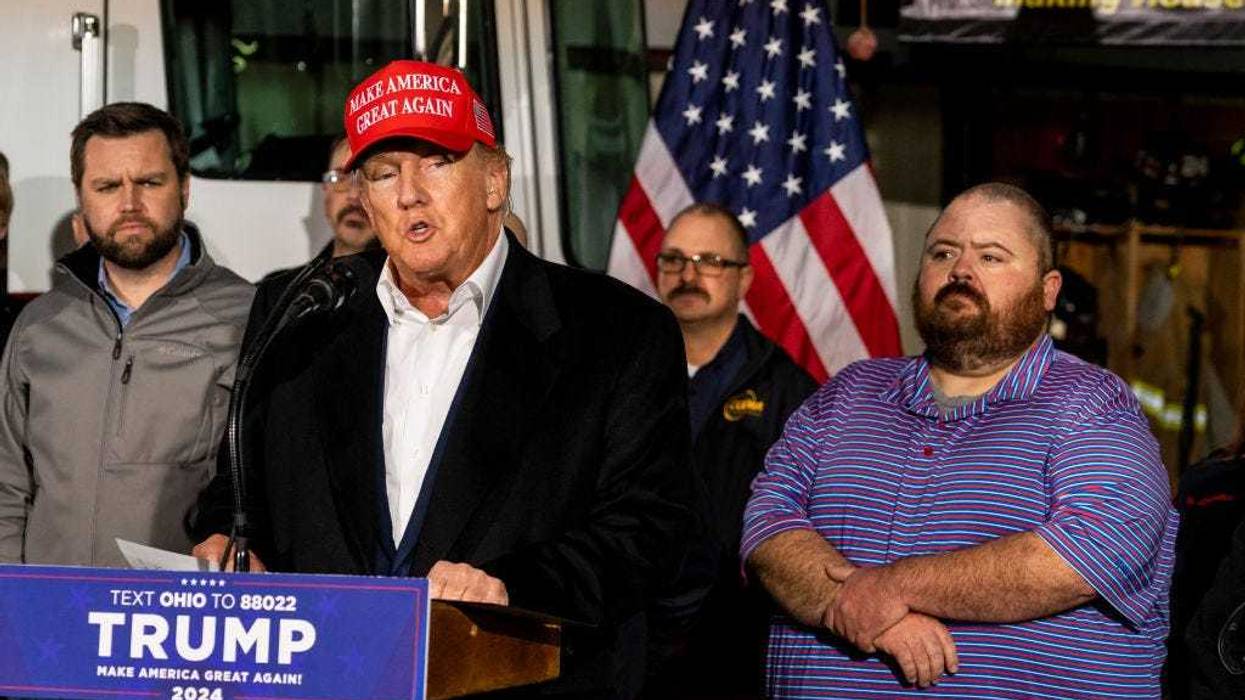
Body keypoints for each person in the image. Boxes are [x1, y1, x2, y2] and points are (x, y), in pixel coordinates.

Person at [191, 60, 695, 698]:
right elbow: (239, 489)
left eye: (433, 162)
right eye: (381, 173)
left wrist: (510, 586)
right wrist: (232, 540)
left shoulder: (618, 332)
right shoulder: (301, 316)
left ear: (494, 181)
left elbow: (650, 530)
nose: (408, 193)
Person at [742, 183, 1177, 697]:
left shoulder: (1093, 404)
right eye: (943, 252)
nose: (960, 270)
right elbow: (766, 524)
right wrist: (872, 613)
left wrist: (892, 587)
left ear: (1048, 290)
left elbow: (1090, 552)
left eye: (991, 256)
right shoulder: (847, 394)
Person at [0, 102, 254, 567]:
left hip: (176, 622)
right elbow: (7, 486)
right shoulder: (39, 328)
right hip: (49, 616)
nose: (129, 204)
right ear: (82, 197)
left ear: (185, 188)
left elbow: (266, 485)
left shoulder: (246, 317)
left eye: (149, 182)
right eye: (107, 186)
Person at [646, 203, 816, 698]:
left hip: (733, 642)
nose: (688, 275)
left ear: (744, 279)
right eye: (674, 260)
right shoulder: (622, 369)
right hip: (632, 634)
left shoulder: (789, 392)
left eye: (709, 261)